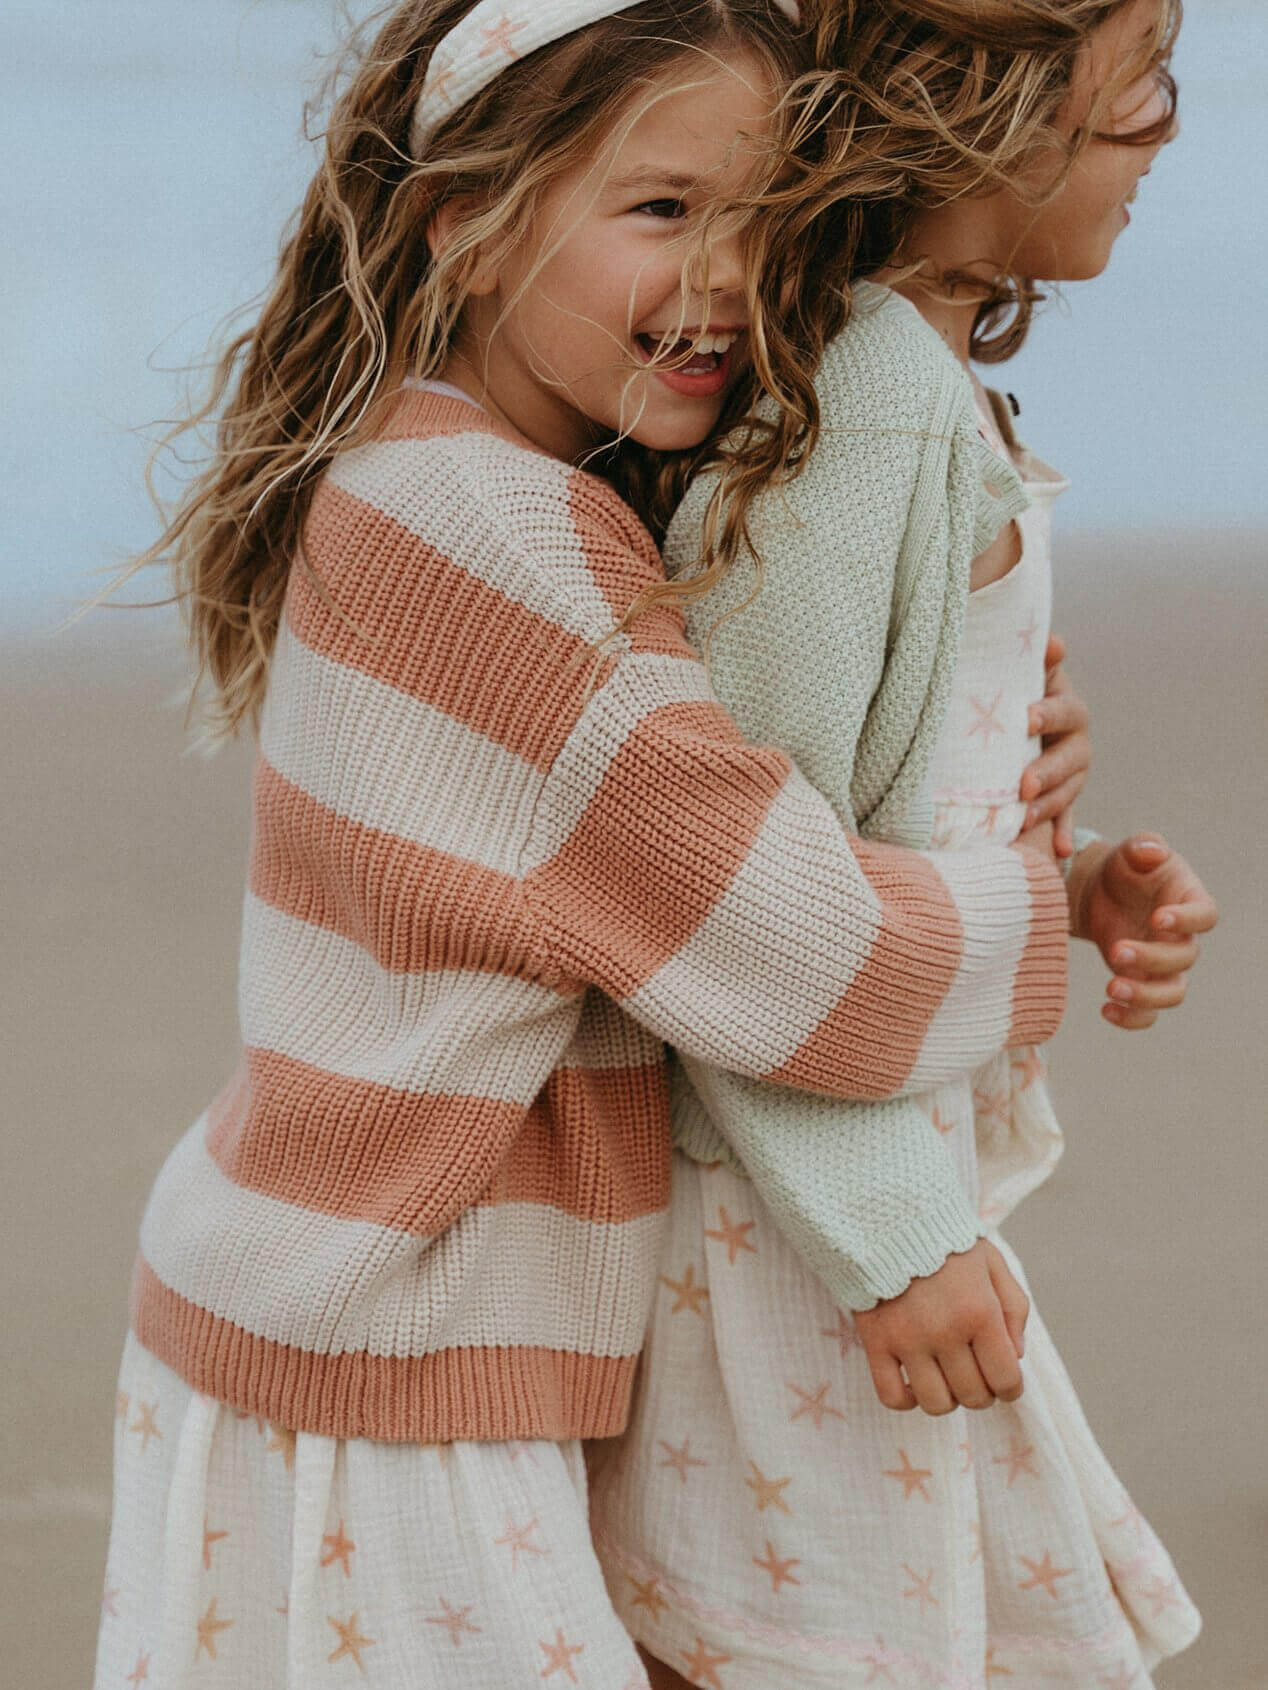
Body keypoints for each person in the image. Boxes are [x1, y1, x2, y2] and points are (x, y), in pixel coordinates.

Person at [91, 4, 1094, 1687]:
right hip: (389, 1353)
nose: (730, 276)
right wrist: (1033, 907)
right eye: (663, 209)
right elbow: (784, 939)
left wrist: (1006, 745)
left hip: (336, 1323)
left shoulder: (452, 477)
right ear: (465, 227)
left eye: (768, 222)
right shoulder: (493, 534)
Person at [588, 2, 1217, 1686]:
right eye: (1141, 75)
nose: (1169, 129)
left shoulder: (911, 384)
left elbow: (877, 800)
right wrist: (889, 1231)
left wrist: (1060, 890)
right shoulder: (870, 405)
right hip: (805, 1219)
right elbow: (740, 889)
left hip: (857, 1193)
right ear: (979, 104)